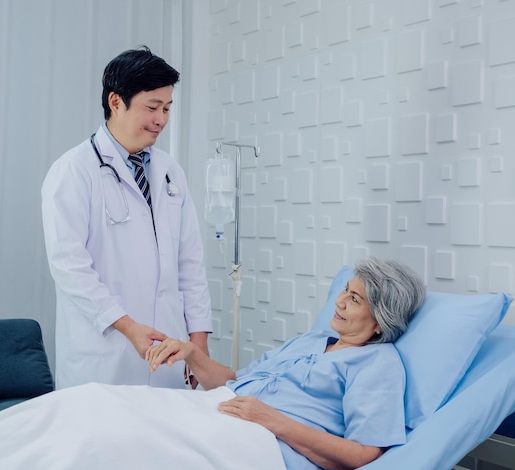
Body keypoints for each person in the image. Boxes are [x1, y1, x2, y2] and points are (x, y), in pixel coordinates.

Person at [147, 258, 426, 470]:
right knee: (122, 412)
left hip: (260, 444)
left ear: (380, 321)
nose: (339, 302)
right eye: (345, 290)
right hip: (217, 413)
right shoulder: (312, 340)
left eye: (354, 299)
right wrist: (192, 354)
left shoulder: (377, 363)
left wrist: (273, 420)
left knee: (139, 444)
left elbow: (365, 454)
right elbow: (233, 381)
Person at [41, 46, 212, 390]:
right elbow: (70, 267)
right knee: (105, 441)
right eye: (152, 107)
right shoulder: (74, 171)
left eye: (166, 108)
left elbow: (190, 264)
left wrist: (199, 348)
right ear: (116, 102)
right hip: (106, 358)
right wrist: (128, 326)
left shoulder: (170, 172)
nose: (161, 119)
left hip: (169, 354)